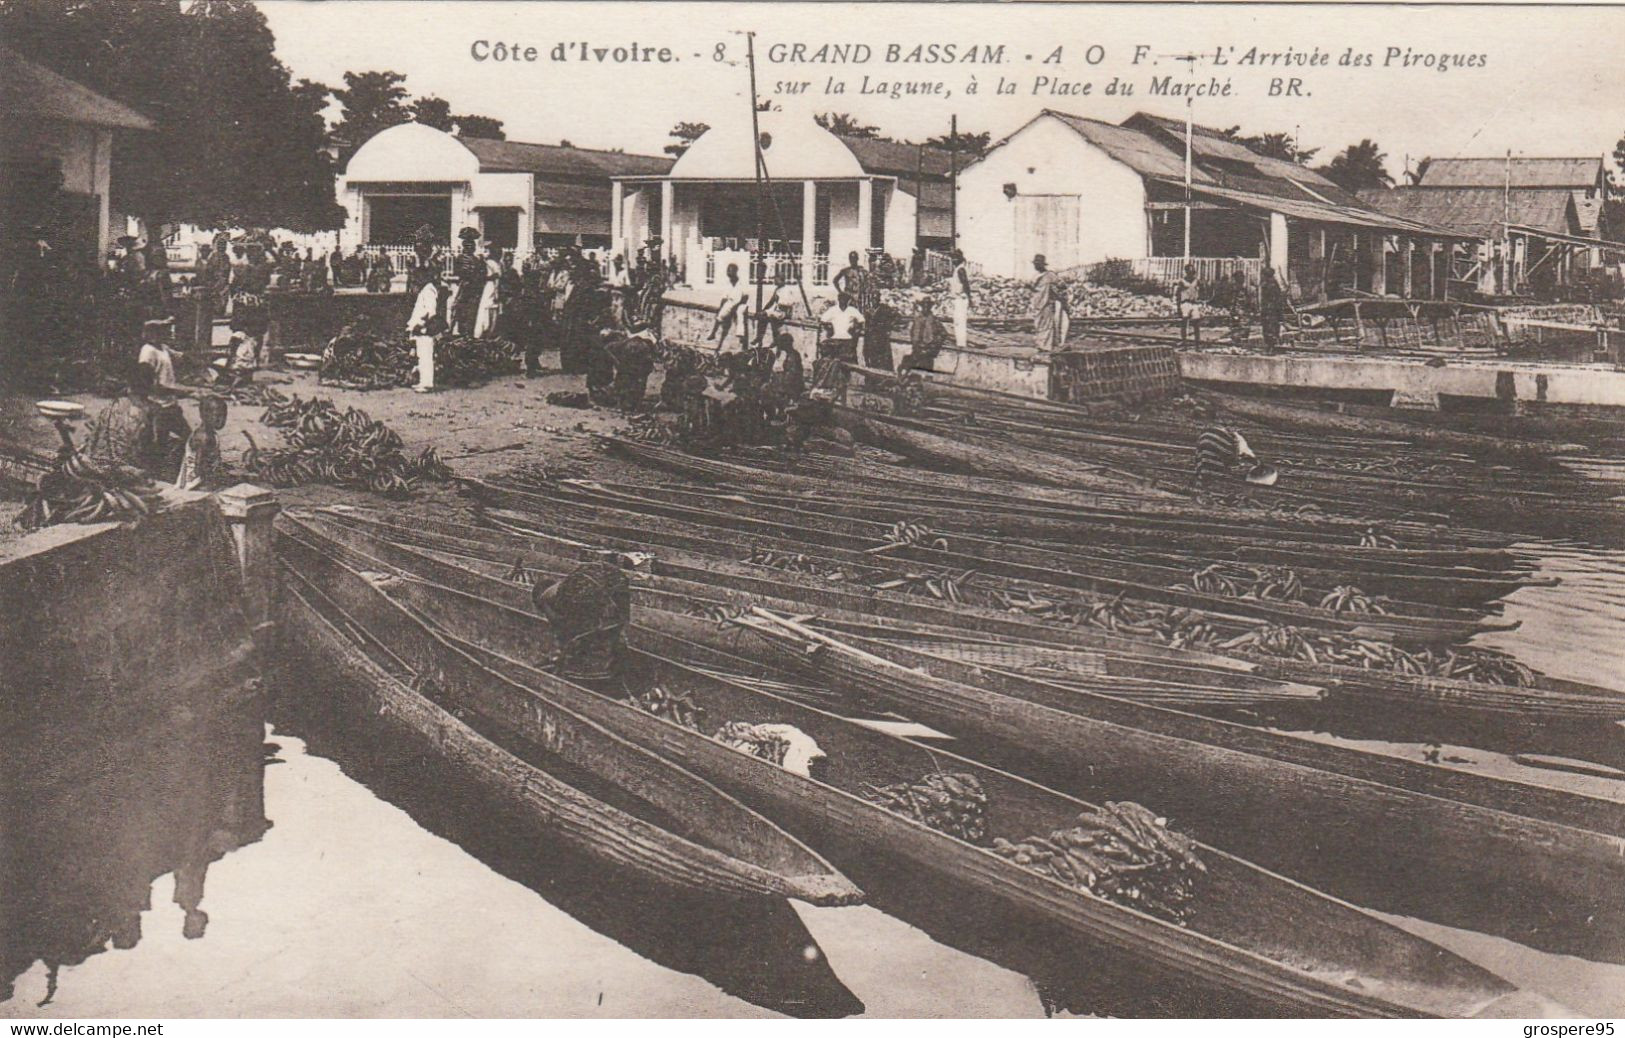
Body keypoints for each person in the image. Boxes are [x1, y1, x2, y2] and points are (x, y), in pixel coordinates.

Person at [532, 560, 633, 685]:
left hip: (593, 591)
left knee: (590, 637)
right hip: (616, 586)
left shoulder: (547, 599)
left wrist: (559, 655)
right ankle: (610, 668)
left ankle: (588, 674)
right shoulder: (567, 584)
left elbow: (562, 627)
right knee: (610, 632)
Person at [1193, 424, 1276, 491]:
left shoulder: (1241, 448)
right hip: (1220, 439)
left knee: (1207, 464)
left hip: (1208, 435)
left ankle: (1202, 483)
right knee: (1214, 467)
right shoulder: (1240, 454)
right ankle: (1204, 484)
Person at [407, 264, 447, 393]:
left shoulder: (428, 291)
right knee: (422, 356)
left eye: (418, 277)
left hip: (424, 330)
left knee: (426, 356)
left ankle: (427, 383)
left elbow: (431, 312)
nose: (416, 280)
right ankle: (423, 381)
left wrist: (422, 326)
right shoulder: (425, 290)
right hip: (420, 330)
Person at [175, 395, 227, 491]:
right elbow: (199, 467)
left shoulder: (210, 433)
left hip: (204, 476)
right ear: (204, 416)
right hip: (195, 482)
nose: (222, 420)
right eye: (217, 416)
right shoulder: (204, 437)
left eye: (224, 416)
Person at [608, 323, 659, 412]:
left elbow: (609, 349)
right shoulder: (648, 343)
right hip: (637, 370)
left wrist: (617, 364)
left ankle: (625, 404)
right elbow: (651, 358)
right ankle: (634, 404)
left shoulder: (625, 342)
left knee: (625, 385)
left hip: (627, 369)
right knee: (636, 386)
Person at [450, 227, 487, 336]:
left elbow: (482, 274)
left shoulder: (478, 260)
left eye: (472, 245)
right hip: (464, 287)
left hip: (475, 289)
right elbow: (457, 273)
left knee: (472, 312)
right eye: (467, 245)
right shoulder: (460, 259)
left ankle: (468, 333)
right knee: (460, 310)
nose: (470, 248)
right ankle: (462, 332)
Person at [1029, 254, 1069, 351]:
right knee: (1039, 325)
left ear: (1042, 265)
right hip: (1037, 304)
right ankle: (1041, 344)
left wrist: (1054, 290)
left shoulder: (1050, 275)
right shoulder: (1036, 276)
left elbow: (1062, 285)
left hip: (1046, 303)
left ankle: (1046, 346)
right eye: (1035, 264)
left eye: (1037, 264)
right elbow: (1034, 290)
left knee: (1046, 325)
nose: (1035, 266)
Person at [900, 294, 946, 373]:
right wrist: (915, 344)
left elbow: (943, 334)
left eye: (927, 306)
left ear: (930, 307)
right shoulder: (917, 319)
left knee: (926, 373)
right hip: (917, 350)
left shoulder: (934, 321)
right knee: (912, 372)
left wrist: (933, 346)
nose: (925, 308)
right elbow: (913, 333)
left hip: (928, 352)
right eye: (924, 306)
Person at [137, 318, 184, 390]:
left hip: (168, 395)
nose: (164, 334)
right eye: (159, 331)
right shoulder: (148, 351)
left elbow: (178, 355)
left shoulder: (163, 347)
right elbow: (145, 378)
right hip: (156, 397)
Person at [710, 262, 749, 347]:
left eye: (730, 271)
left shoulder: (741, 283)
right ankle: (713, 333)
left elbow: (745, 297)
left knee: (740, 313)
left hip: (741, 303)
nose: (728, 273)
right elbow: (724, 298)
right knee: (720, 314)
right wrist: (721, 307)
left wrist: (736, 305)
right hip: (730, 303)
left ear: (735, 272)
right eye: (728, 271)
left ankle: (741, 335)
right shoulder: (728, 283)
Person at [755, 269, 797, 346]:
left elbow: (789, 304)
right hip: (777, 311)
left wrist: (786, 312)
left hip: (783, 312)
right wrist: (763, 310)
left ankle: (775, 339)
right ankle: (759, 337)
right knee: (762, 316)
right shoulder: (777, 290)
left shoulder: (786, 290)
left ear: (781, 279)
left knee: (772, 318)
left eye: (776, 279)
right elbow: (771, 302)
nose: (774, 281)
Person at [948, 249, 972, 350]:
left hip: (961, 298)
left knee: (960, 321)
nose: (953, 260)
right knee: (957, 321)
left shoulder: (960, 270)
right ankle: (960, 342)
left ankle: (961, 343)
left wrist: (970, 298)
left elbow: (965, 284)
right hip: (958, 298)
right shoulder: (958, 269)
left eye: (954, 258)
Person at [1260, 268, 1287, 352]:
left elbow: (1275, 299)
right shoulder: (1272, 284)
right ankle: (1270, 347)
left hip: (1270, 310)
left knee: (1270, 329)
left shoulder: (1270, 285)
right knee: (1271, 329)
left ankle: (1271, 348)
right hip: (1270, 310)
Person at [1176, 264, 1202, 344]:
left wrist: (1199, 299)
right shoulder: (1182, 281)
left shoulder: (1197, 281)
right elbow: (1178, 294)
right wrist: (1178, 306)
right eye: (1189, 272)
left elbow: (1201, 291)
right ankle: (1184, 343)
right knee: (1184, 323)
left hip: (1194, 303)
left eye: (1192, 272)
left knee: (1196, 323)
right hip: (1185, 303)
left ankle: (1197, 344)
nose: (1191, 274)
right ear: (1186, 272)